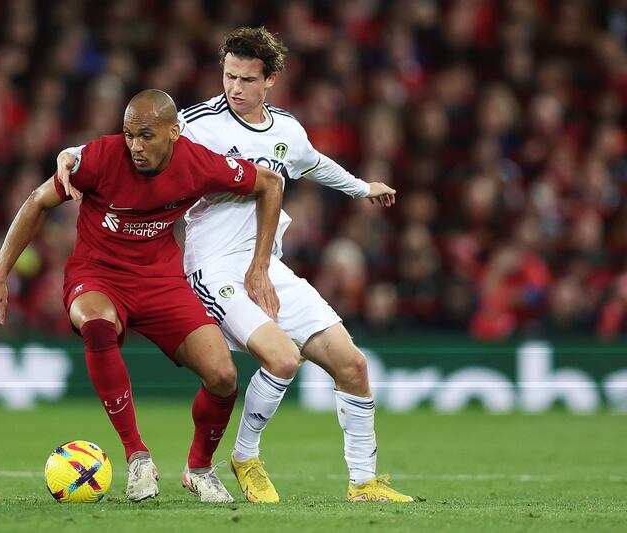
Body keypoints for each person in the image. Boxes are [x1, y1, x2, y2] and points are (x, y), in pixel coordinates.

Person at [60, 27, 411, 504]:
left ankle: (364, 483)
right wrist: (73, 155)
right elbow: (134, 139)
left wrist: (360, 187)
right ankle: (244, 457)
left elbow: (313, 164)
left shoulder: (287, 130)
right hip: (214, 268)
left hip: (268, 267)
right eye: (228, 76)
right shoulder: (197, 122)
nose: (234, 88)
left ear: (270, 80)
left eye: (246, 79)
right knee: (283, 358)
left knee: (352, 364)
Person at [0, 89, 284, 503]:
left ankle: (198, 469)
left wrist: (259, 264)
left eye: (146, 136)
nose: (135, 147)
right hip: (98, 275)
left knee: (224, 376)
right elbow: (37, 201)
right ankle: (137, 456)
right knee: (97, 324)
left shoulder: (197, 163)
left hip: (161, 282)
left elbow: (270, 182)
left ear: (174, 132)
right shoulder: (102, 157)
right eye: (129, 135)